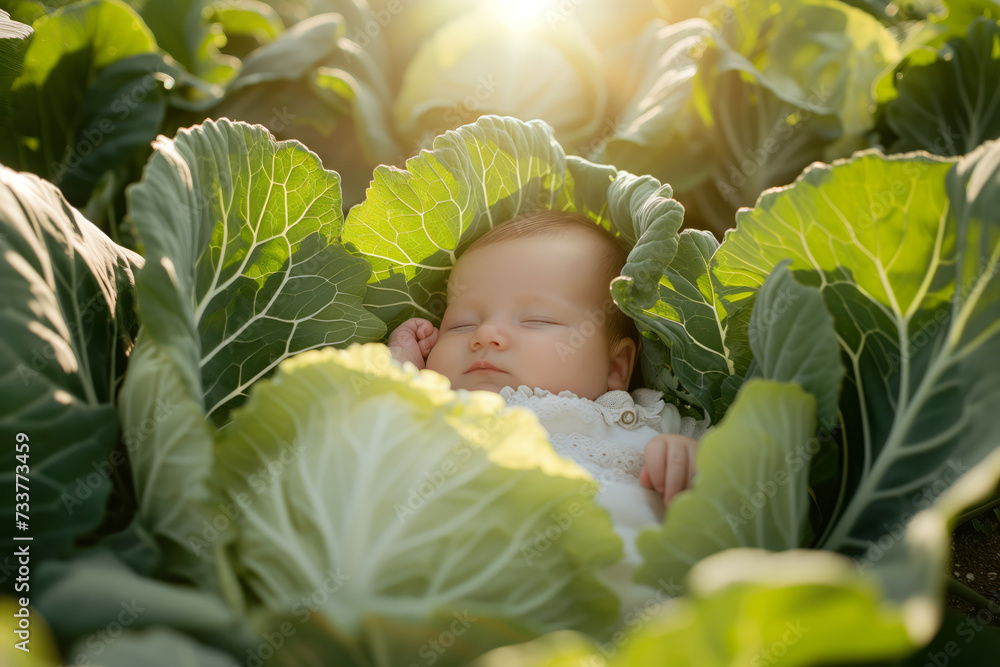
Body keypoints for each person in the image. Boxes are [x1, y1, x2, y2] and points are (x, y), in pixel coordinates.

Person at [387, 210, 710, 611]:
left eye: (536, 320)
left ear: (615, 369)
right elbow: (376, 429)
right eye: (461, 324)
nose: (486, 335)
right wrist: (400, 365)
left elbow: (746, 479)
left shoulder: (652, 423)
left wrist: (697, 466)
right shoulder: (443, 408)